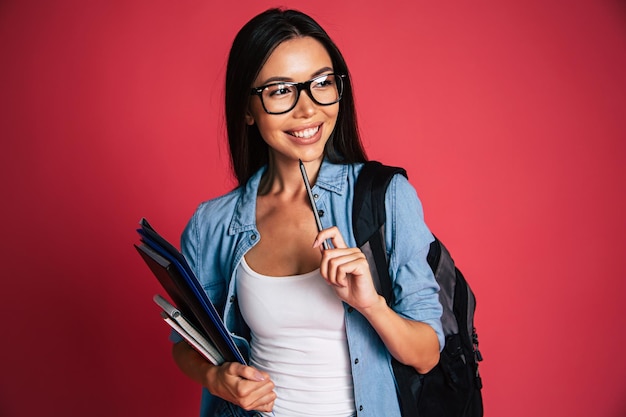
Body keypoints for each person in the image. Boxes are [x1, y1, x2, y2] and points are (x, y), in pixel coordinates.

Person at [171, 8, 444, 417]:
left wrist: (371, 304)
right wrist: (216, 379)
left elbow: (426, 354)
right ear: (247, 109)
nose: (308, 109)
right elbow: (187, 344)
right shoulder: (212, 225)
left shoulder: (387, 197)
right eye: (281, 90)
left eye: (322, 83)